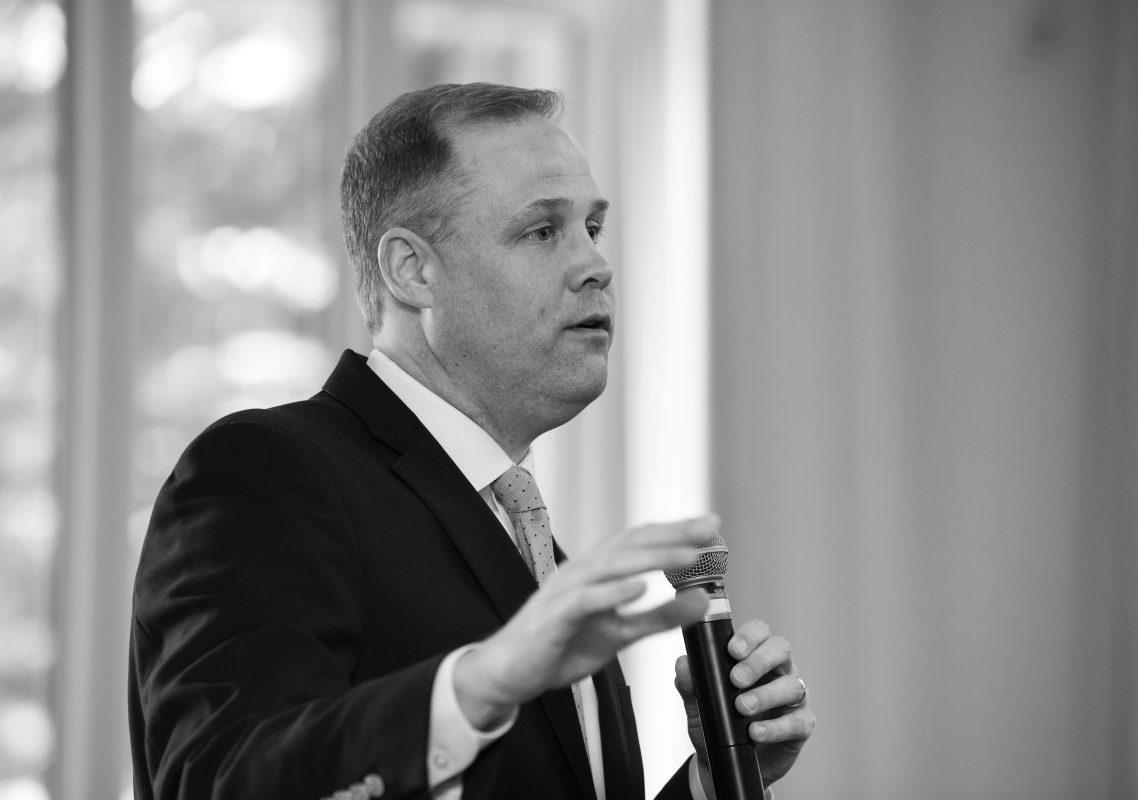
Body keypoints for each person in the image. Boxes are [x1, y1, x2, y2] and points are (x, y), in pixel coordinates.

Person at [128, 82, 815, 800]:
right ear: (411, 271)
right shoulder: (268, 472)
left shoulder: (539, 552)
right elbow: (220, 780)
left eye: (592, 229)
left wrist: (713, 777)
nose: (595, 265)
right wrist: (479, 684)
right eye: (542, 230)